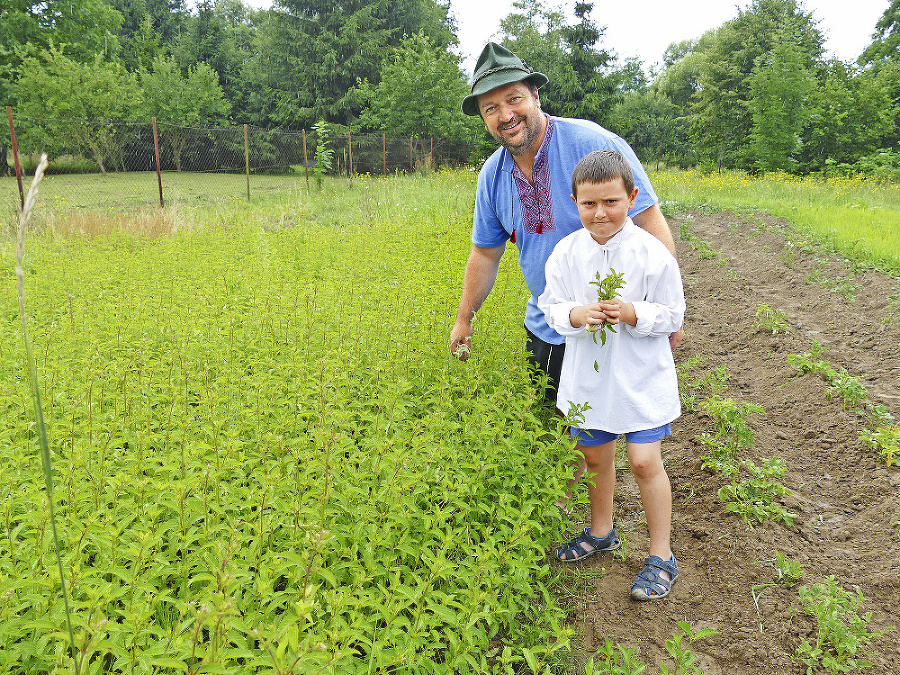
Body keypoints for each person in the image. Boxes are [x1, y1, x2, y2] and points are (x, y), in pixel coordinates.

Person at [449, 41, 680, 395]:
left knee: (611, 434)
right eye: (490, 107)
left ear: (535, 96)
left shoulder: (592, 143)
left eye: (514, 99)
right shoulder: (491, 177)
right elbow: (485, 255)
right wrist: (464, 319)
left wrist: (667, 310)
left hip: (614, 326)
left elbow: (649, 221)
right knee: (552, 439)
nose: (505, 115)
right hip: (547, 328)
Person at [537, 149, 685, 600]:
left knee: (643, 462)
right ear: (574, 202)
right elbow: (551, 306)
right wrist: (578, 314)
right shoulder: (567, 253)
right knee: (597, 459)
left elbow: (673, 313)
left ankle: (661, 556)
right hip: (589, 379)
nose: (600, 214)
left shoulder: (651, 253)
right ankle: (601, 531)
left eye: (611, 202)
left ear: (632, 197)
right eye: (589, 204)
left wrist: (633, 312)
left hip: (640, 378)